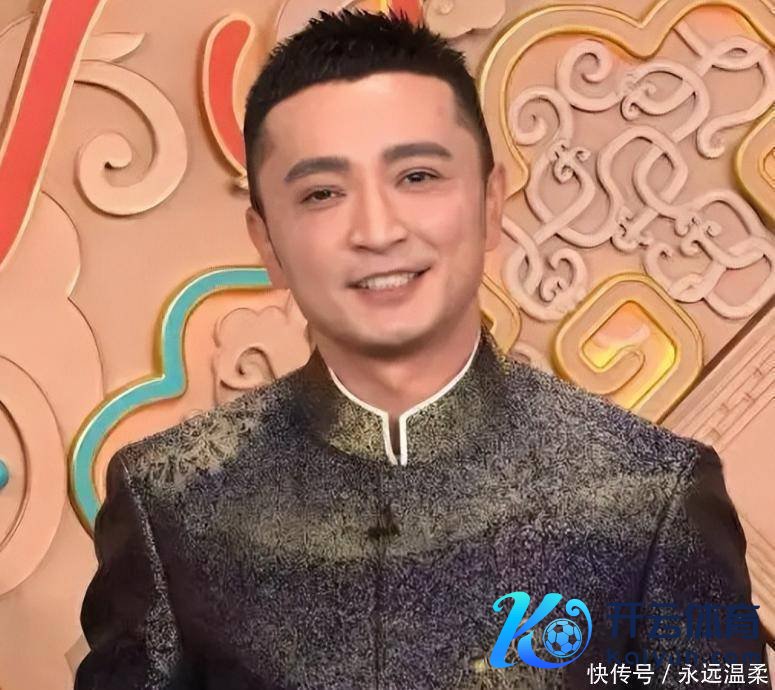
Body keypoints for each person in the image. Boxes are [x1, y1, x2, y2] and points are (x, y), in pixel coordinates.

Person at [75, 9, 770, 690]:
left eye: (417, 177)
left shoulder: (650, 493)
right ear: (268, 243)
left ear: (490, 202)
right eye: (322, 193)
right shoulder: (170, 499)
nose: (377, 230)